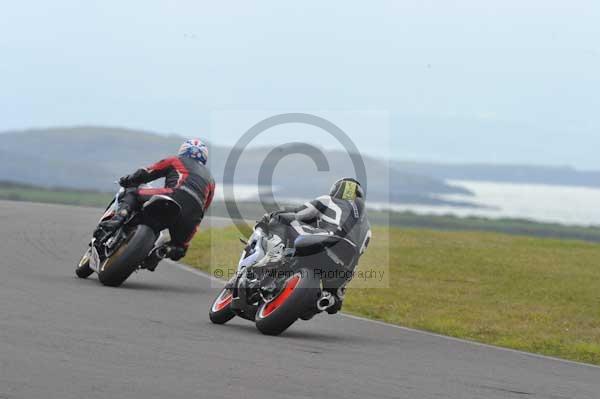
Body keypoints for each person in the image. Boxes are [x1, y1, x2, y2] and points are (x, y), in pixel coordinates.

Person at [259, 178, 372, 313]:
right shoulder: (367, 228)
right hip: (344, 263)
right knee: (332, 302)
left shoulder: (328, 200)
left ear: (336, 190)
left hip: (325, 240)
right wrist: (340, 287)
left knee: (280, 220)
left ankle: (274, 256)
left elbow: (299, 214)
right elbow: (359, 254)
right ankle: (325, 298)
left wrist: (274, 214)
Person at [95, 139, 215, 265]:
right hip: (193, 215)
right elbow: (205, 206)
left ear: (183, 150)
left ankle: (118, 218)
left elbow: (147, 172)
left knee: (133, 192)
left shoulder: (175, 160)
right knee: (180, 248)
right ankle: (163, 251)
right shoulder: (211, 180)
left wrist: (128, 180)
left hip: (173, 195)